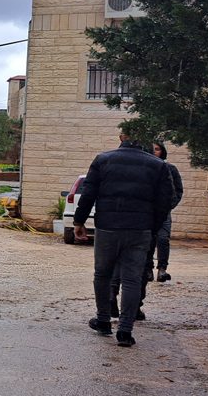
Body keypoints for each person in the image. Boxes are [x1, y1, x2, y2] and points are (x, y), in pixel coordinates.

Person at [74, 133, 174, 347]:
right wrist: (153, 227)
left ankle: (103, 320)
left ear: (122, 138)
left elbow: (88, 193)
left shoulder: (103, 159)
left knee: (102, 274)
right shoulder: (157, 165)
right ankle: (125, 330)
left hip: (107, 226)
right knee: (132, 278)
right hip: (140, 229)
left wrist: (79, 222)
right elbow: (166, 200)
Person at [151, 141, 184, 282]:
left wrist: (169, 205)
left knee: (163, 239)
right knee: (148, 240)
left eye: (157, 149)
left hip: (163, 212)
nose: (154, 152)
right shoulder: (145, 168)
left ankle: (162, 269)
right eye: (152, 149)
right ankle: (147, 269)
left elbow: (178, 190)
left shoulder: (171, 169)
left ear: (162, 151)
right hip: (147, 212)